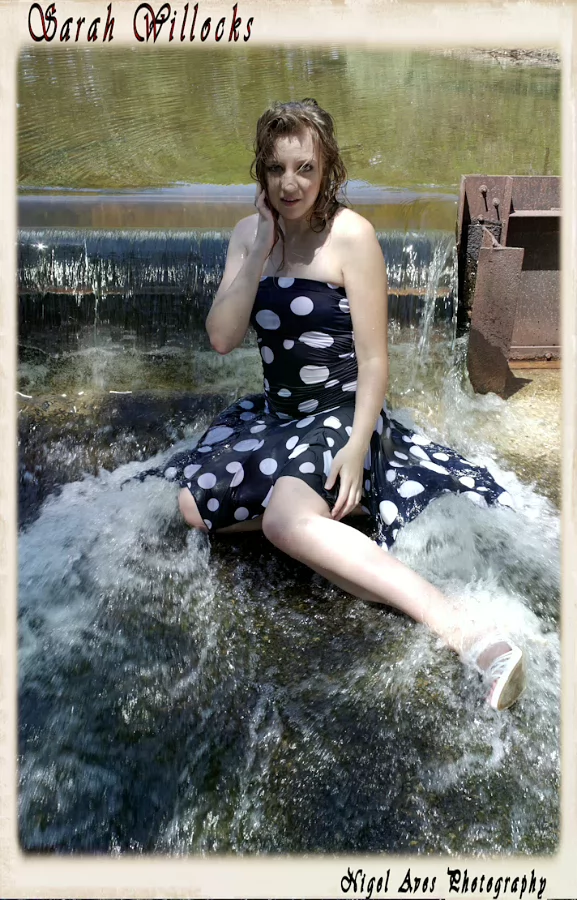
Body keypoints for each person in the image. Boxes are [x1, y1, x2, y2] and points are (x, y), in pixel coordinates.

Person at [167, 98, 525, 711]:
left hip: (343, 414)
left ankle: (474, 638)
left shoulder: (353, 236)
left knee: (282, 522)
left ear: (327, 168)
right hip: (278, 417)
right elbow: (222, 338)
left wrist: (358, 446)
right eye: (277, 168)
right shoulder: (248, 235)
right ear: (262, 171)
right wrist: (261, 248)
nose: (289, 184)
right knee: (193, 507)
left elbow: (376, 362)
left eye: (305, 168)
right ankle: (333, 520)